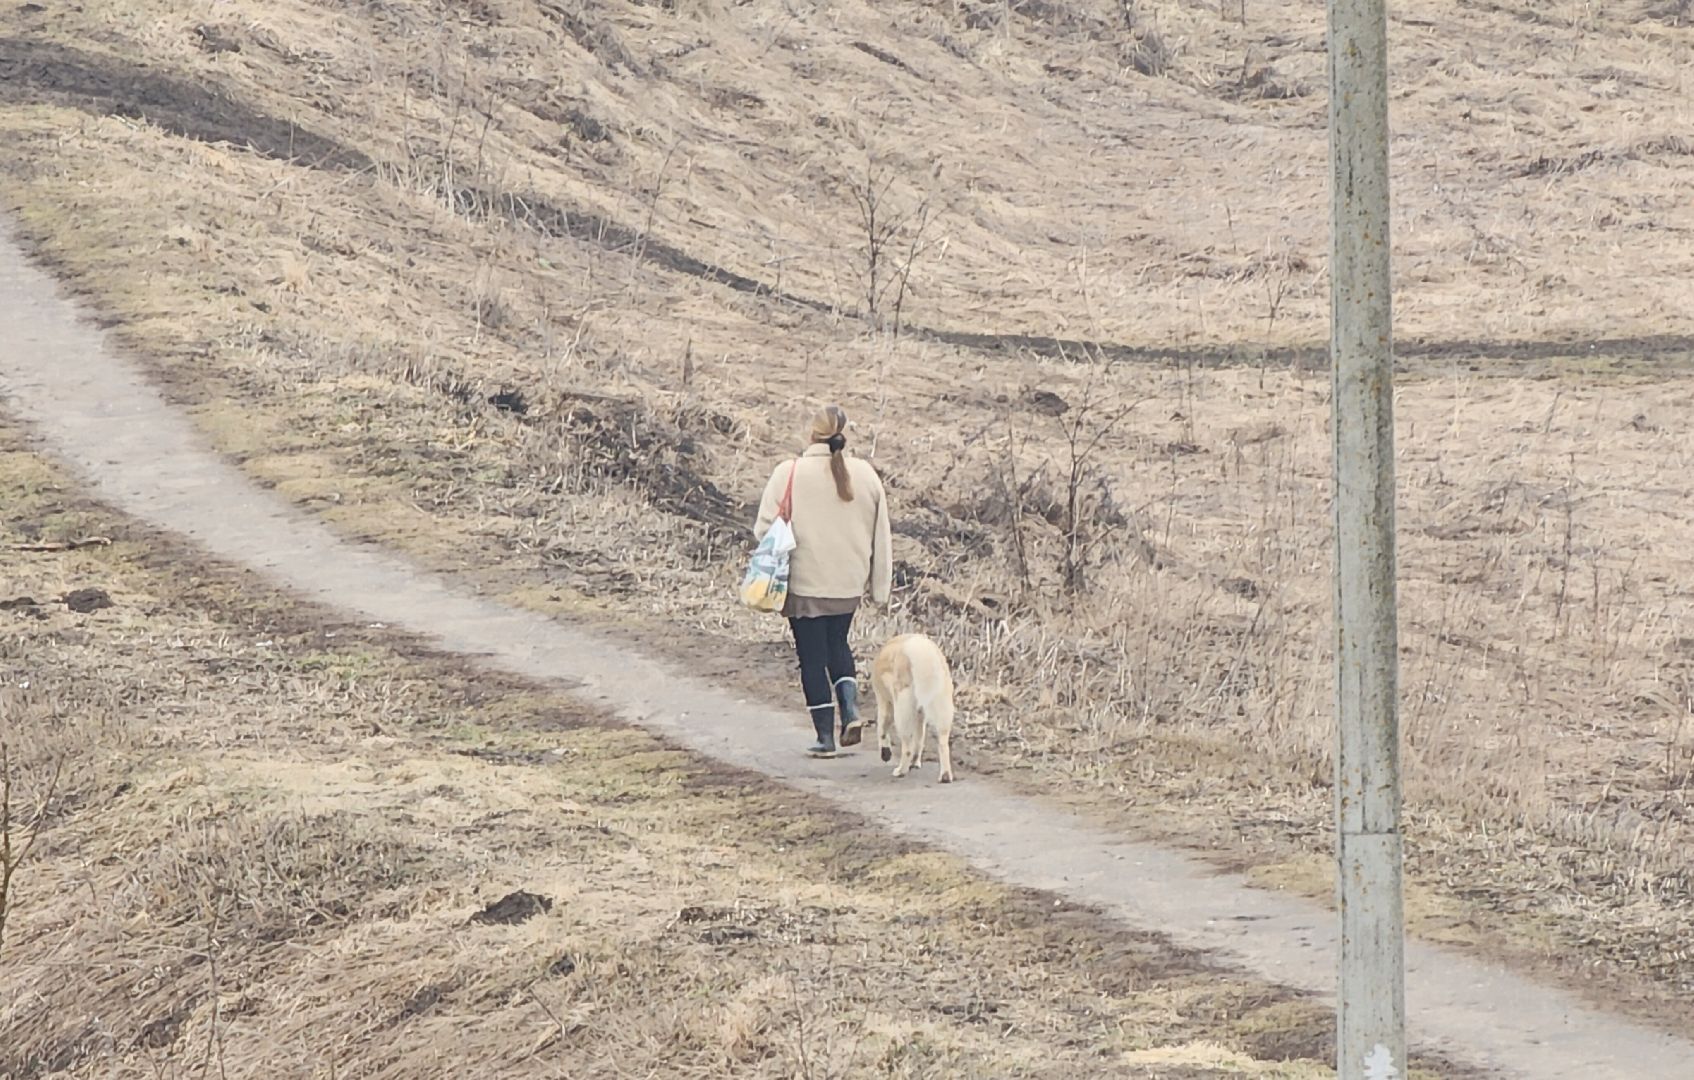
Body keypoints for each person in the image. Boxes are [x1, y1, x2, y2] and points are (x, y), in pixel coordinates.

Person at [753, 404, 892, 758]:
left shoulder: (789, 472)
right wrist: (879, 588)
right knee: (838, 645)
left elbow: (763, 529)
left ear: (811, 433)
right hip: (848, 583)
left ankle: (825, 737)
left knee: (812, 658)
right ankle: (851, 711)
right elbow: (882, 535)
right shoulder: (866, 475)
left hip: (804, 584)